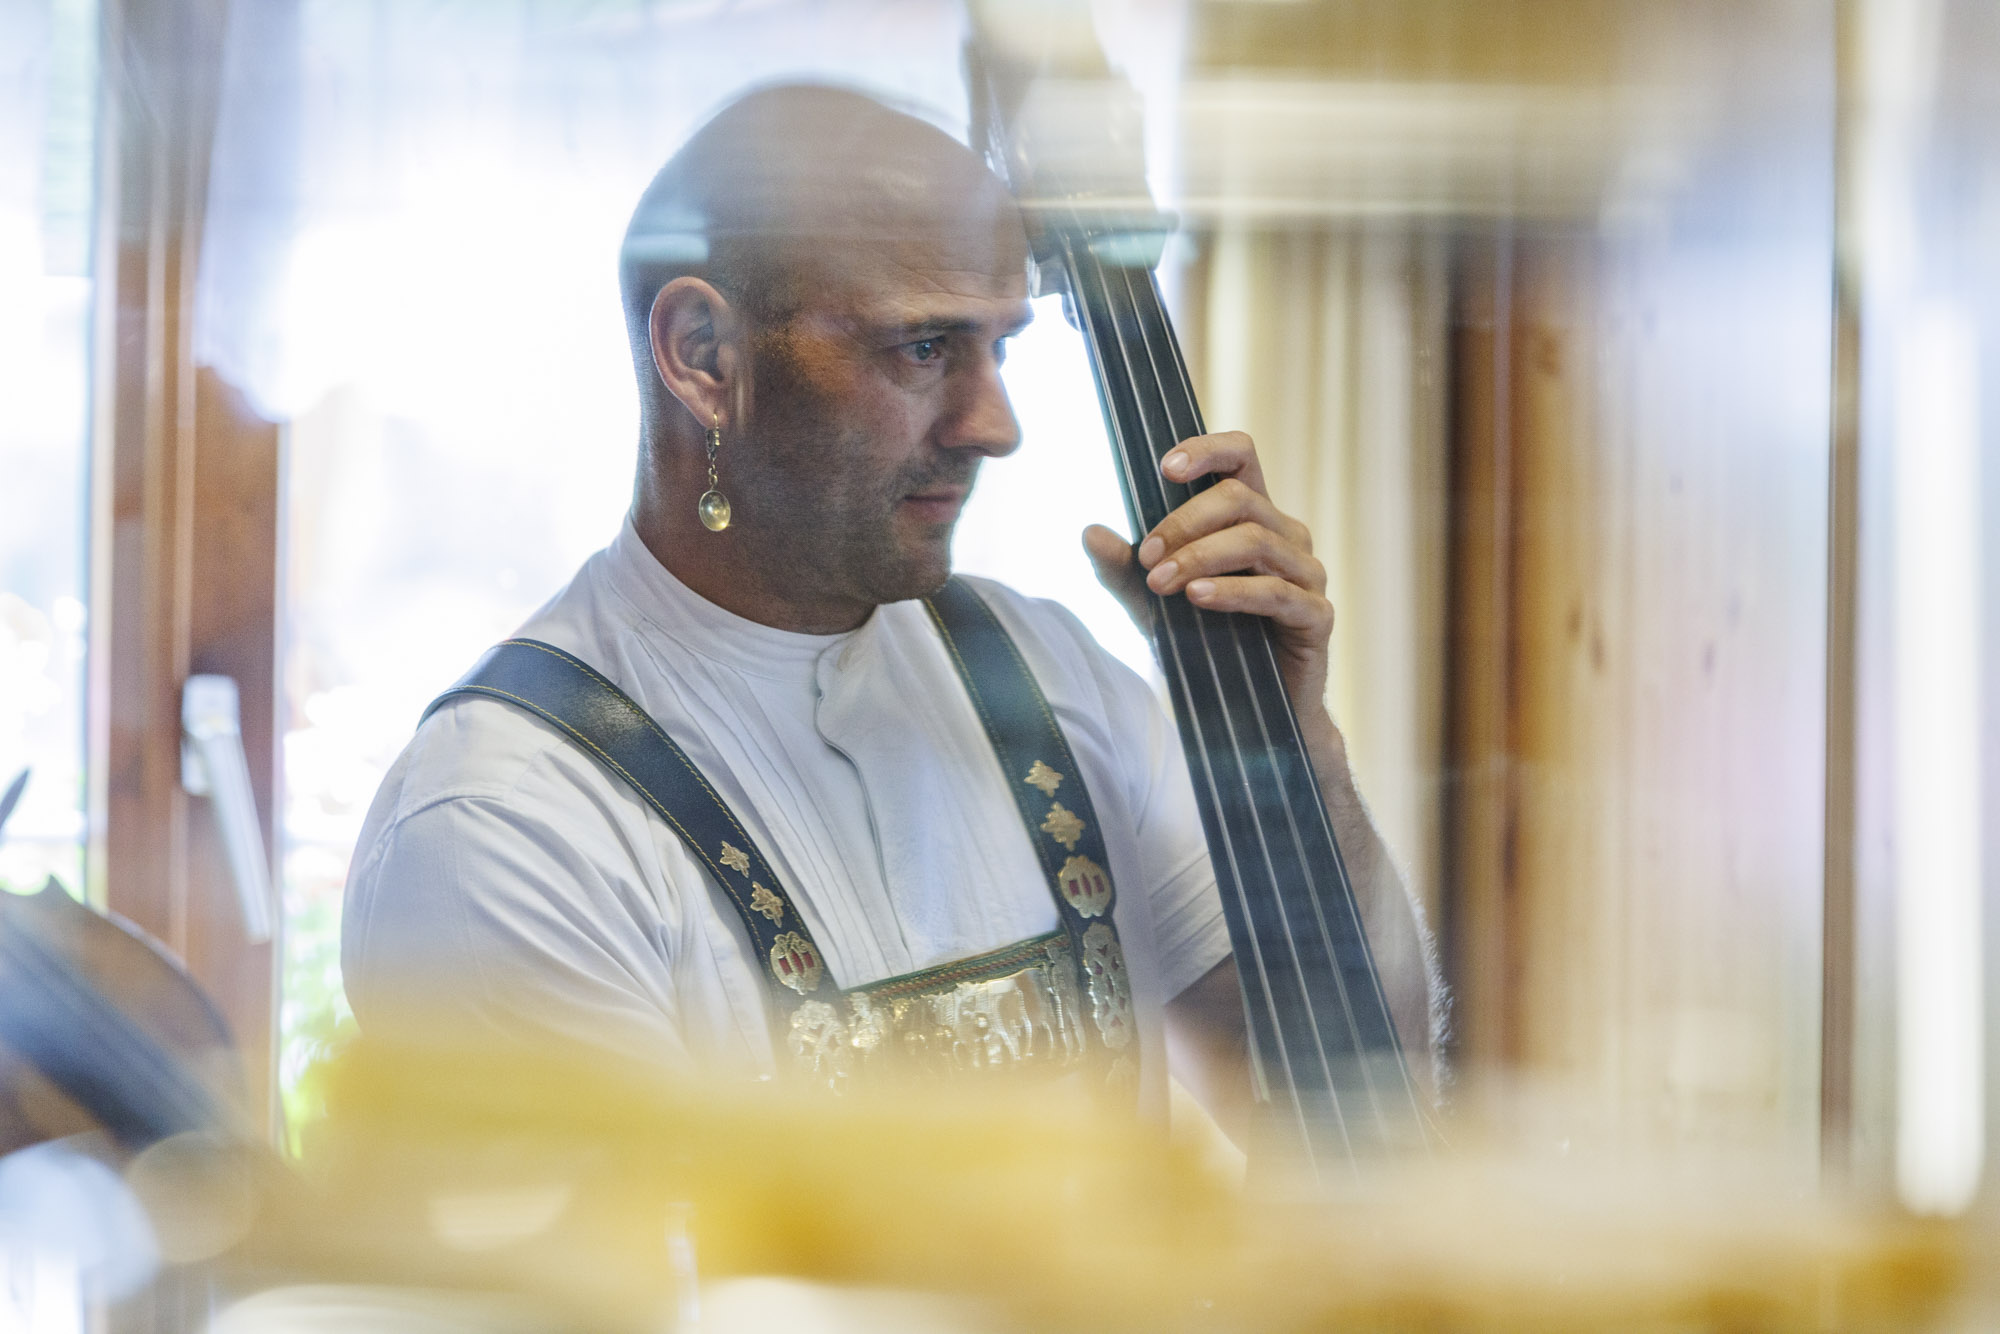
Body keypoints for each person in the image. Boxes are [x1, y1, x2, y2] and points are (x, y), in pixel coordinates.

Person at [341, 84, 1441, 1138]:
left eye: (998, 347)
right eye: (922, 347)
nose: (995, 426)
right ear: (703, 357)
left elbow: (1356, 1099)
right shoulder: (503, 819)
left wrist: (1289, 749)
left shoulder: (1049, 670)